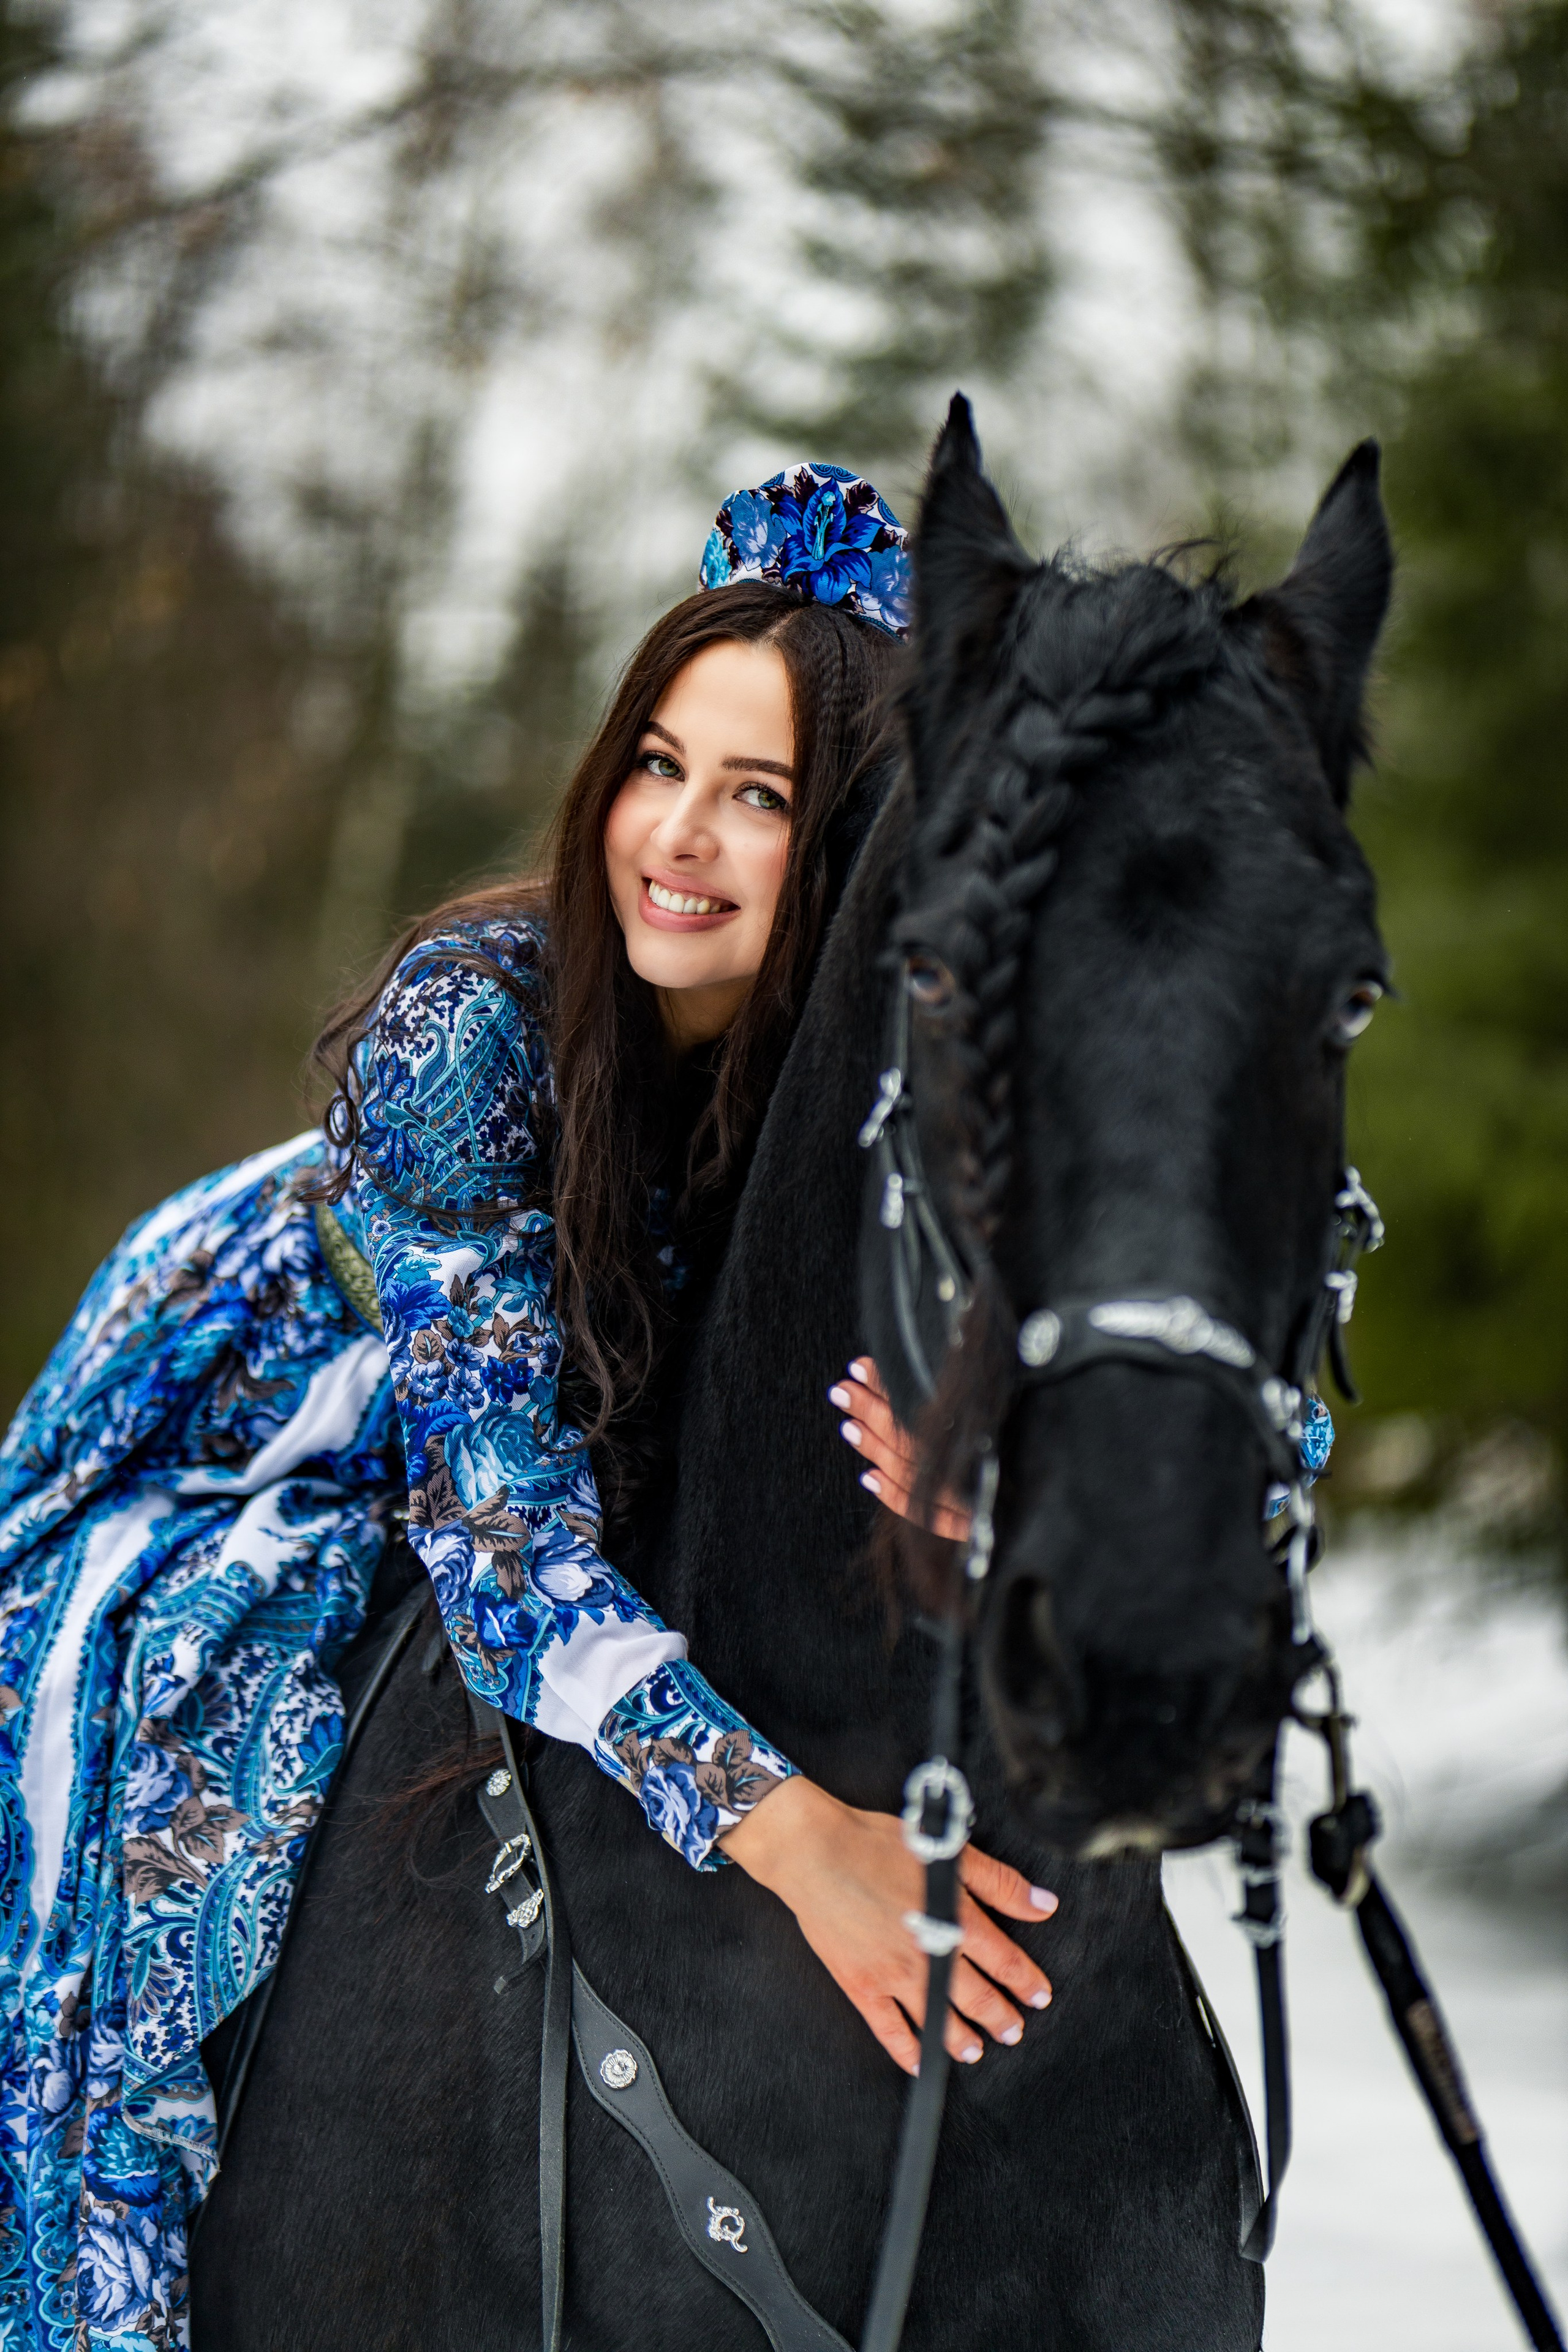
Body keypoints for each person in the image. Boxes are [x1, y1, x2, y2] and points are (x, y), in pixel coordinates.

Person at [0, 462, 1055, 2352]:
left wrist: (1021, 1470)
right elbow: (498, 1544)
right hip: (246, 1434)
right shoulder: (468, 1024)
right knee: (194, 1723)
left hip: (551, 1435)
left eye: (760, 795)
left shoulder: (881, 1066)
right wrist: (796, 1836)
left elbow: (1191, 1376)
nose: (680, 837)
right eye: (657, 763)